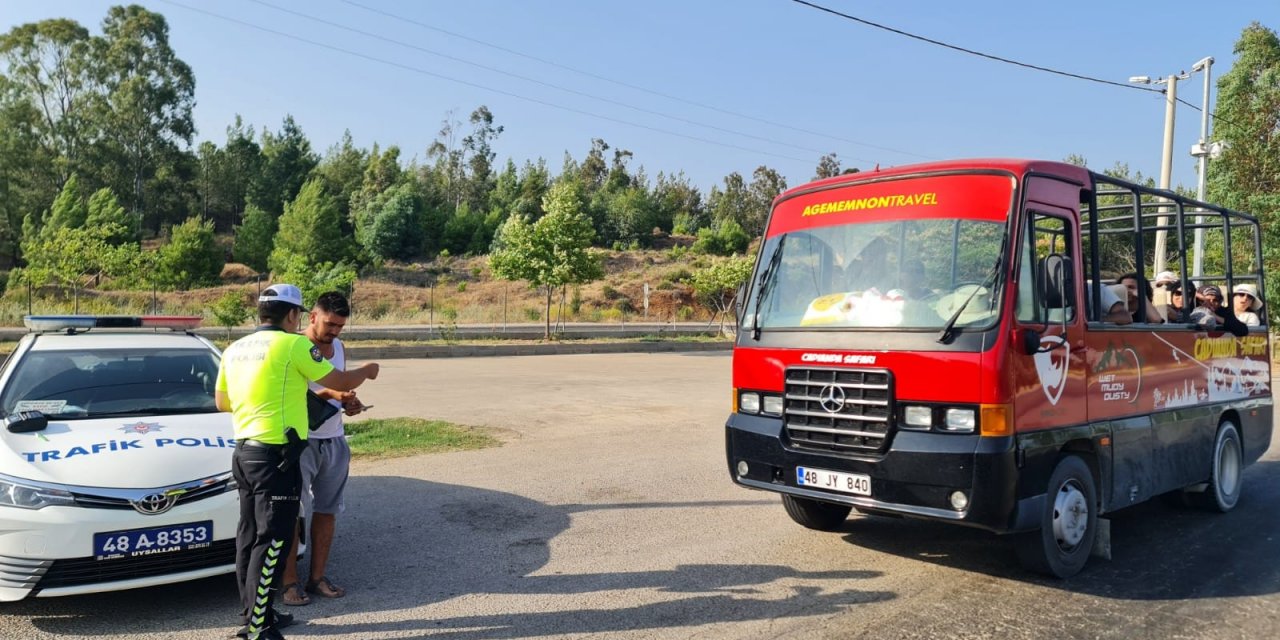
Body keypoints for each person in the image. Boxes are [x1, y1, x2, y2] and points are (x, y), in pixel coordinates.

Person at [216, 284, 380, 640]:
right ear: (294, 315)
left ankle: (257, 614)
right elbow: (339, 380)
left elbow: (222, 402)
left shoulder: (235, 348)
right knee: (272, 540)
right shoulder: (294, 344)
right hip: (277, 454)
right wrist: (368, 370)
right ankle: (258, 628)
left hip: (244, 451)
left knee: (248, 536)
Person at [281, 292, 364, 606]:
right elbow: (298, 394)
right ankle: (289, 582)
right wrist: (337, 392)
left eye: (340, 326)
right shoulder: (292, 346)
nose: (334, 332)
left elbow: (336, 391)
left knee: (328, 510)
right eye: (330, 324)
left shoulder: (339, 347)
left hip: (334, 440)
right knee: (293, 513)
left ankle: (317, 578)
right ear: (311, 316)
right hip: (300, 443)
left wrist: (349, 404)